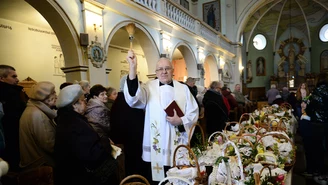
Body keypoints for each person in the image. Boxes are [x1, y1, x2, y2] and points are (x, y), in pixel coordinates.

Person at [123, 50, 199, 183]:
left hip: (177, 144)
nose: (163, 72)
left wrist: (181, 120)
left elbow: (194, 112)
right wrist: (133, 68)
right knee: (158, 181)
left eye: (167, 68)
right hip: (156, 147)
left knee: (178, 180)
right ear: (156, 72)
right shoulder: (148, 87)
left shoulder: (184, 88)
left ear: (172, 70)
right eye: (160, 69)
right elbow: (134, 99)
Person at [54, 84, 118, 185]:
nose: (86, 102)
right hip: (80, 177)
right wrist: (105, 142)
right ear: (74, 105)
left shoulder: (68, 119)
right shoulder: (74, 124)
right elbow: (91, 154)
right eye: (83, 100)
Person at [109, 75, 146, 177]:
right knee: (135, 168)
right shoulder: (127, 101)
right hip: (132, 143)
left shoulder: (119, 100)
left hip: (126, 142)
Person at [19, 81, 57, 171]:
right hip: (41, 163)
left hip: (35, 161)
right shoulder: (38, 115)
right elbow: (49, 144)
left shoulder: (32, 109)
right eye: (54, 93)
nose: (56, 96)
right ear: (46, 97)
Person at [0, 65, 28, 172]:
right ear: (2, 78)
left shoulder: (13, 92)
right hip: (12, 135)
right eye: (14, 76)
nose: (17, 79)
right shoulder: (10, 93)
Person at [305, 72, 328, 184]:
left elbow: (309, 109)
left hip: (318, 124)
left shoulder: (317, 92)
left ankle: (320, 174)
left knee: (318, 150)